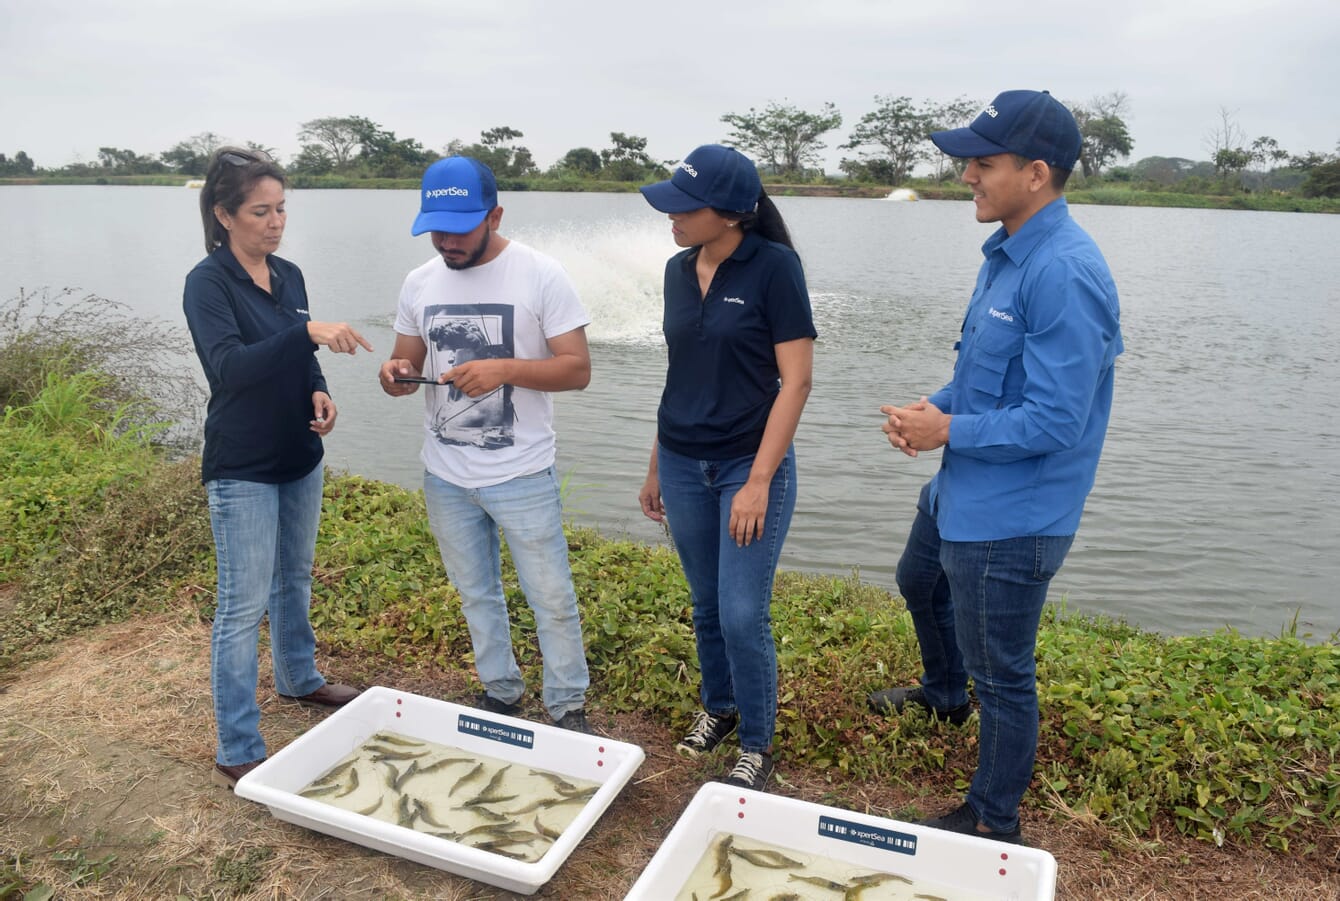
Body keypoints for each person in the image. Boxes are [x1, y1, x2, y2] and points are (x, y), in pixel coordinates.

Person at [868, 90, 1124, 843]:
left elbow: (1055, 418)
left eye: (982, 162)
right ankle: (944, 693)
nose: (966, 176)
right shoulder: (1007, 252)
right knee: (919, 577)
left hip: (1015, 514)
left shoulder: (1064, 272)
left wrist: (950, 427)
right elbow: (983, 373)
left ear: (1037, 172)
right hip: (964, 486)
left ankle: (991, 817)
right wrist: (933, 411)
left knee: (1004, 672)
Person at [379, 156, 594, 733]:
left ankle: (568, 707)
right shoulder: (419, 282)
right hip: (444, 474)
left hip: (521, 472)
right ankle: (501, 692)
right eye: (436, 229)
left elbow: (577, 370)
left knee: (550, 598)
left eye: (460, 228)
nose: (446, 241)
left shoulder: (540, 274)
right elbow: (407, 363)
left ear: (495, 215)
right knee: (476, 594)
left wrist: (503, 368)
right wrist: (394, 372)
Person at [183, 147, 373, 789]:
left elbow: (299, 351)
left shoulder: (287, 275)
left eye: (281, 208)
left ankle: (300, 678)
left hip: (299, 452)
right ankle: (238, 744)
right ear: (224, 214)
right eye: (260, 211)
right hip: (243, 465)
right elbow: (231, 369)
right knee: (241, 604)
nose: (275, 222)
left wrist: (318, 386)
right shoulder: (207, 283)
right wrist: (308, 335)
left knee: (294, 576)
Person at [637, 144, 816, 791]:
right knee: (706, 603)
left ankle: (759, 742)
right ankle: (719, 706)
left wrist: (759, 481)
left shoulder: (775, 269)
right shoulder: (677, 271)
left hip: (748, 461)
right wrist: (657, 463)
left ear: (732, 212)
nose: (672, 217)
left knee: (743, 611)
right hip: (683, 461)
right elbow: (679, 372)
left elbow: (795, 383)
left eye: (685, 207)